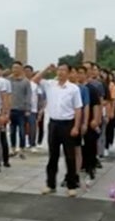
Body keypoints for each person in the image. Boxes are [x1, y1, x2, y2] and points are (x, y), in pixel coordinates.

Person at [31, 63, 84, 196]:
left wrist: (76, 126)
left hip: (68, 124)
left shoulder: (73, 89)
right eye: (59, 70)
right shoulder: (50, 84)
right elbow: (34, 80)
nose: (60, 73)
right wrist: (47, 69)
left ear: (69, 73)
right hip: (54, 124)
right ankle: (50, 184)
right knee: (52, 156)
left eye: (64, 70)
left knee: (70, 156)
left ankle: (71, 185)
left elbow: (78, 109)